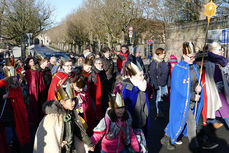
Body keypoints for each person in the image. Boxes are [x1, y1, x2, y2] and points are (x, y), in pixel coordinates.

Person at [161, 42, 203, 150]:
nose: (193, 59)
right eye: (190, 57)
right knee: (189, 121)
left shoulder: (194, 66)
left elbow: (196, 82)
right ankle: (194, 144)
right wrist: (193, 97)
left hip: (193, 99)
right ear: (184, 55)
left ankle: (166, 137)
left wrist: (199, 88)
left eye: (194, 57)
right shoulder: (178, 68)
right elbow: (178, 89)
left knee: (181, 120)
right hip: (181, 101)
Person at [33, 82, 95, 153]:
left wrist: (89, 143)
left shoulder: (70, 114)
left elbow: (78, 131)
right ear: (62, 102)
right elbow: (49, 139)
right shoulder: (52, 118)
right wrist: (59, 145)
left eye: (74, 100)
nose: (74, 103)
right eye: (71, 100)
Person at [202, 42, 229, 130]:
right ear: (212, 51)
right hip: (215, 91)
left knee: (214, 110)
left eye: (221, 50)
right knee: (226, 111)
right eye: (219, 50)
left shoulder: (220, 61)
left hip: (222, 89)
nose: (222, 52)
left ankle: (210, 123)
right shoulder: (209, 62)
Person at [122, 62, 150, 135]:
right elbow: (127, 110)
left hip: (143, 119)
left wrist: (146, 115)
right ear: (133, 76)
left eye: (143, 74)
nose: (143, 77)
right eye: (140, 75)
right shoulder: (128, 89)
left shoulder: (143, 85)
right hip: (133, 123)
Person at [149, 48, 169, 117]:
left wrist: (168, 83)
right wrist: (156, 85)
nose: (164, 54)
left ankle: (162, 109)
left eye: (165, 53)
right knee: (159, 98)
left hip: (164, 83)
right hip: (159, 84)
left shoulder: (164, 62)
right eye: (163, 53)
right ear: (159, 54)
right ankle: (158, 112)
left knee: (164, 97)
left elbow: (167, 73)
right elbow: (152, 75)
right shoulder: (154, 62)